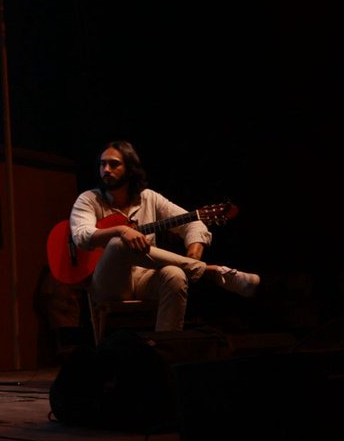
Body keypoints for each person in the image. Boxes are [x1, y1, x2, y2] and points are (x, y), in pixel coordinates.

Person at [69, 140, 260, 333]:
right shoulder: (89, 199)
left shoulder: (149, 198)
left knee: (175, 275)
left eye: (114, 164)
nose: (106, 170)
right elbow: (81, 236)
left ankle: (167, 345)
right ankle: (208, 272)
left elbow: (193, 223)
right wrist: (121, 230)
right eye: (102, 164)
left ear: (130, 169)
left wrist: (193, 256)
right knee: (119, 242)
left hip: (144, 278)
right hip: (109, 282)